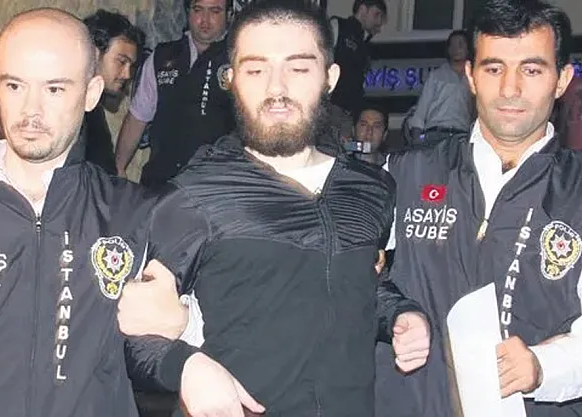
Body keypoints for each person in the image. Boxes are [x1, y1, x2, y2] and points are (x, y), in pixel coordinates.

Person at [0, 8, 253, 417]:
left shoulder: (136, 217)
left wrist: (184, 331)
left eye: (54, 89)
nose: (31, 110)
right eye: (15, 85)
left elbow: (213, 336)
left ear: (91, 93)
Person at [118, 1, 431, 415]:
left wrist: (401, 315)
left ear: (330, 77)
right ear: (230, 80)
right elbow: (135, 332)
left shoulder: (372, 190)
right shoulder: (194, 195)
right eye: (255, 70)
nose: (276, 89)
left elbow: (362, 285)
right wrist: (186, 367)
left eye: (298, 68)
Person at [375, 1, 582, 416]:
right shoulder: (405, 172)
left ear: (562, 80)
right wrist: (393, 313)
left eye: (531, 70)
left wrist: (544, 366)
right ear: (470, 76)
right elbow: (347, 276)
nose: (510, 89)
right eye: (493, 68)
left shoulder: (575, 191)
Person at [0, 9, 146, 174]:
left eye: (132, 66)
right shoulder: (82, 117)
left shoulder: (92, 116)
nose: (127, 74)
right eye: (121, 61)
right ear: (94, 52)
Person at [114, 0, 235, 187]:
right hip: (160, 182)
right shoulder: (162, 56)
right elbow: (137, 117)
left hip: (214, 187)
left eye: (215, 11)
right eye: (198, 10)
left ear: (229, 15)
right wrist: (118, 168)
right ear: (188, 12)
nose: (205, 19)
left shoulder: (240, 60)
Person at [327, 0, 386, 141]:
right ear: (363, 9)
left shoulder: (364, 43)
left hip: (350, 111)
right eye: (376, 14)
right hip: (331, 105)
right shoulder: (338, 26)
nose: (378, 22)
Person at [406, 30, 474, 145]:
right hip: (435, 134)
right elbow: (421, 110)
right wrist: (416, 140)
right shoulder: (436, 76)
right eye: (452, 45)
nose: (456, 49)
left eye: (460, 44)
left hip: (461, 137)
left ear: (468, 49)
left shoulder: (474, 78)